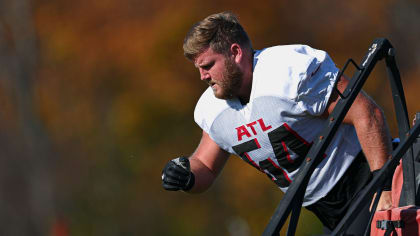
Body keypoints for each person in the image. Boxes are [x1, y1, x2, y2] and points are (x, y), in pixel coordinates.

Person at [161, 11, 393, 234]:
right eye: (199, 68)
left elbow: (367, 113)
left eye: (208, 65)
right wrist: (186, 176)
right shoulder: (213, 109)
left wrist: (383, 186)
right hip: (326, 211)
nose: (203, 76)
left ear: (235, 52)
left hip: (364, 178)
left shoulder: (286, 72)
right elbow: (206, 165)